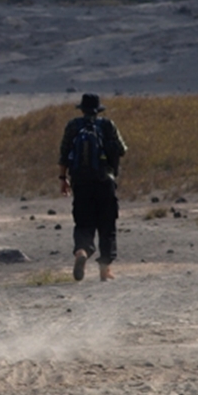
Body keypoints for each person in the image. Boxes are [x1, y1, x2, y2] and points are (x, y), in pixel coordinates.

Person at [58, 93, 127, 282]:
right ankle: (105, 270)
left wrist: (63, 179)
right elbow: (122, 149)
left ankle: (82, 251)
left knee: (83, 223)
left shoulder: (73, 126)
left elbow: (64, 154)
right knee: (107, 225)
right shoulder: (107, 125)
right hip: (105, 182)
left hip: (81, 183)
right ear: (98, 110)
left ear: (81, 109)